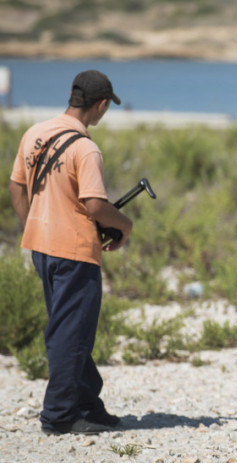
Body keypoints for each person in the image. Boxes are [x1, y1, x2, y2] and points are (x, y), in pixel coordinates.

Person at [8, 70, 132, 435]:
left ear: (71, 94)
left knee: (67, 329)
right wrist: (125, 225)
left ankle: (87, 404)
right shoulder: (86, 148)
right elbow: (94, 204)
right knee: (71, 333)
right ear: (102, 104)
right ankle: (60, 416)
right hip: (75, 251)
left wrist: (33, 222)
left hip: (41, 248)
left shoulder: (34, 133)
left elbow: (16, 186)